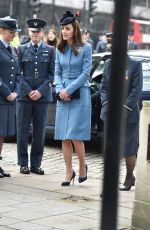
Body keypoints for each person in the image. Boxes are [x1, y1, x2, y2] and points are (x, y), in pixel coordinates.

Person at [100, 32, 143, 191]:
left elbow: (135, 90)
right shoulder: (108, 64)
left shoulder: (134, 65)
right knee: (110, 150)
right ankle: (110, 183)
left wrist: (123, 110)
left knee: (129, 149)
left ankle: (129, 176)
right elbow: (103, 88)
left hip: (128, 115)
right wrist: (107, 105)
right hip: (110, 114)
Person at [54, 11, 92, 186]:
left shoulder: (86, 47)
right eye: (62, 29)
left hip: (80, 94)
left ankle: (82, 166)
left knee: (76, 135)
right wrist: (61, 90)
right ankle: (69, 172)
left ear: (74, 29)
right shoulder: (59, 48)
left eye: (67, 28)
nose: (64, 31)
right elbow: (57, 72)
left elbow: (85, 73)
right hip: (63, 96)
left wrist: (68, 90)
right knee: (64, 135)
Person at [17, 18, 55, 175]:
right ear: (28, 32)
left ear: (42, 33)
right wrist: (28, 90)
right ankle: (23, 163)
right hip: (24, 97)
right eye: (32, 31)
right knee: (22, 131)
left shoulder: (50, 50)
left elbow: (52, 75)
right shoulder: (20, 49)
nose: (35, 34)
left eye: (38, 31)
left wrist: (40, 91)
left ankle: (36, 164)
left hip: (42, 97)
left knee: (39, 132)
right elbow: (18, 74)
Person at [0, 16, 21, 177]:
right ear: (1, 30)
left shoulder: (12, 49)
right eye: (11, 32)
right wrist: (7, 92)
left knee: (2, 133)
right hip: (1, 97)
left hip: (10, 99)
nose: (13, 35)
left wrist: (16, 92)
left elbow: (18, 75)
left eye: (14, 32)